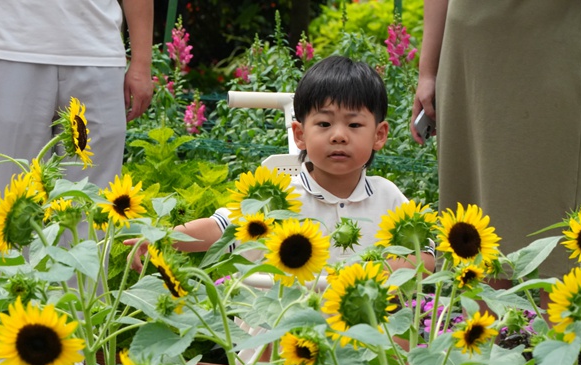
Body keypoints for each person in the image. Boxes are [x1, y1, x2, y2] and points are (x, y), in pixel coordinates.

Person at [130, 55, 435, 275]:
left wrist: (380, 274)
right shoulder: (278, 197)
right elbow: (219, 228)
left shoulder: (387, 197)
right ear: (300, 134)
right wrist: (162, 237)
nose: (339, 136)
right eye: (325, 123)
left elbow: (428, 253)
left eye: (354, 125)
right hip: (282, 336)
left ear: (379, 135)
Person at [411, 1, 581, 295]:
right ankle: (485, 336)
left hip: (551, 41)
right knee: (478, 207)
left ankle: (561, 340)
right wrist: (427, 72)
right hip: (470, 46)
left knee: (558, 208)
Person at [0, 0, 154, 202]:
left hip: (98, 53)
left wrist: (142, 63)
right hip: (8, 52)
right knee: (7, 205)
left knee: (93, 208)